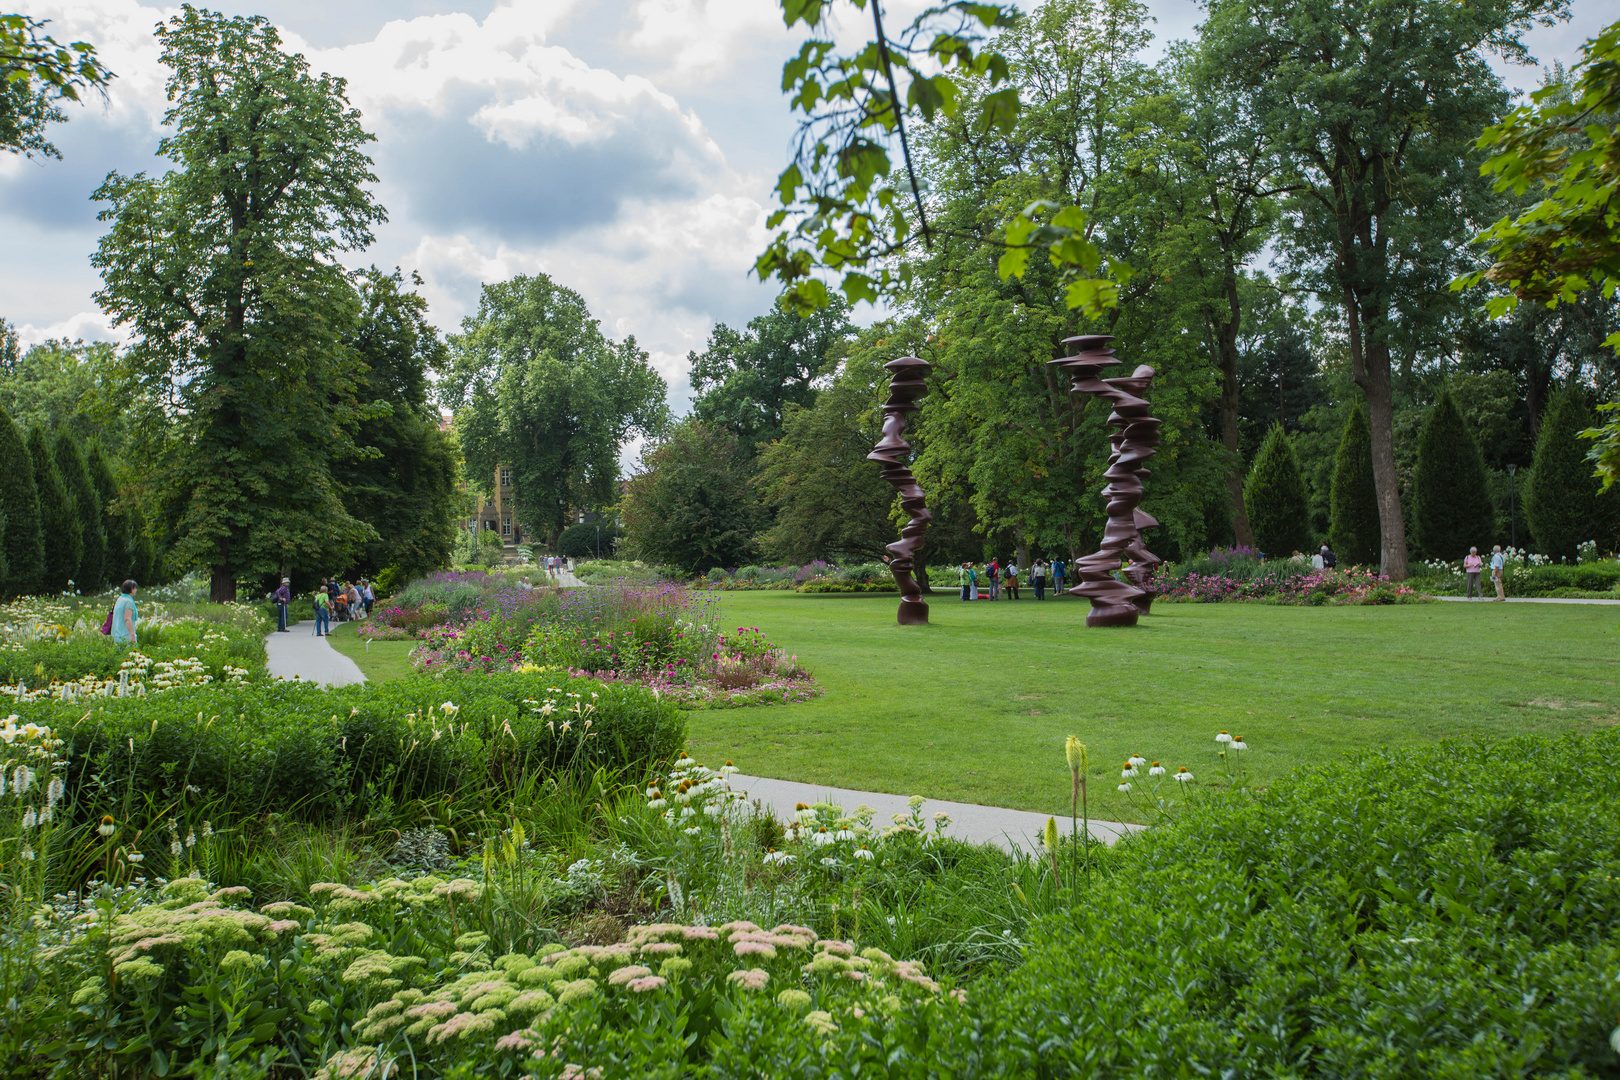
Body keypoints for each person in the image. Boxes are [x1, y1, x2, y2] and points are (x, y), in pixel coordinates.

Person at [111, 579, 139, 647]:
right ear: (131, 589)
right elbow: (127, 619)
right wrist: (132, 635)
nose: (136, 590)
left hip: (117, 634)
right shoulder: (128, 601)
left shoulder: (119, 599)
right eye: (135, 588)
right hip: (126, 635)